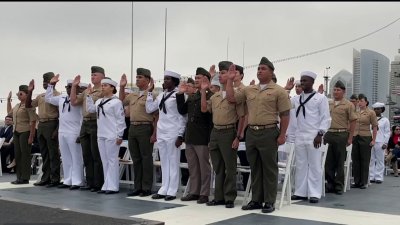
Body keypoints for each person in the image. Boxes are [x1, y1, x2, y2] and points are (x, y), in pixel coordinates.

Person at [226, 57, 291, 213]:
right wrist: (229, 80)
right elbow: (231, 98)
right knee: (255, 167)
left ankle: (269, 201)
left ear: (271, 71)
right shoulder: (249, 89)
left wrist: (282, 135)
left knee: (269, 168)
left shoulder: (278, 91)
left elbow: (285, 114)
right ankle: (256, 200)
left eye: (263, 68)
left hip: (269, 132)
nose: (260, 71)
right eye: (258, 68)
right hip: (252, 133)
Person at [288, 71, 331, 204]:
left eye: (305, 80)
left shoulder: (320, 98)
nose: (302, 83)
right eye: (301, 80)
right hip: (300, 135)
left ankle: (314, 193)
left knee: (314, 165)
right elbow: (284, 105)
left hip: (314, 135)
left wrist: (320, 134)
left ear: (312, 82)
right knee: (301, 165)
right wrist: (287, 90)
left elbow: (326, 118)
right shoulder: (296, 98)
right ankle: (300, 192)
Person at [146, 70, 187, 201]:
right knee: (164, 161)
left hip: (173, 131)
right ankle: (164, 188)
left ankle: (172, 190)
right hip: (162, 131)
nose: (165, 81)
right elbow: (149, 109)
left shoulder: (179, 95)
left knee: (173, 161)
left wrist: (180, 135)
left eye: (168, 79)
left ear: (175, 81)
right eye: (164, 79)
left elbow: (182, 117)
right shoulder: (161, 96)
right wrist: (149, 92)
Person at [177, 67, 213, 204]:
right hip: (191, 136)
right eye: (196, 78)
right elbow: (182, 110)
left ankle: (204, 193)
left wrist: (209, 138)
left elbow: (210, 120)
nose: (196, 80)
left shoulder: (210, 96)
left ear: (206, 79)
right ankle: (194, 192)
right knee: (193, 166)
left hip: (202, 136)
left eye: (199, 78)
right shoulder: (193, 96)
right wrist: (180, 94)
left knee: (204, 167)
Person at [119, 68, 157, 197]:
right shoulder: (133, 95)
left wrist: (154, 133)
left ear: (147, 80)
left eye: (140, 77)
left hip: (145, 127)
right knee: (136, 158)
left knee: (146, 158)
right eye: (136, 77)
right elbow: (122, 100)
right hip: (133, 127)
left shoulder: (152, 95)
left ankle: (146, 187)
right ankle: (137, 187)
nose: (137, 79)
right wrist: (122, 87)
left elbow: (156, 116)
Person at [86, 77, 126, 194]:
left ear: (112, 88)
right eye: (102, 85)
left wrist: (120, 135)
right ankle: (106, 184)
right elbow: (90, 109)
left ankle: (113, 186)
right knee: (105, 160)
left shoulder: (116, 102)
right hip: (101, 134)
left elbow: (120, 120)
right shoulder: (99, 101)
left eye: (105, 85)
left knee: (112, 160)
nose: (102, 87)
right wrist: (88, 96)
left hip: (112, 134)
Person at [45, 76, 84, 190]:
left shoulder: (79, 100)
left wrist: (80, 133)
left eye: (71, 87)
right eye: (67, 87)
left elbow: (82, 117)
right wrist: (51, 85)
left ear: (77, 89)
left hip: (74, 132)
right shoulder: (62, 98)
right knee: (66, 158)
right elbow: (48, 98)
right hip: (62, 131)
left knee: (76, 158)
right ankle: (68, 179)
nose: (68, 89)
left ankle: (77, 181)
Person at [70, 66, 105, 192]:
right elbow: (73, 101)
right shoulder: (87, 91)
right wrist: (74, 86)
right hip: (84, 124)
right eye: (91, 75)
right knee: (86, 154)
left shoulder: (103, 90)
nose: (92, 77)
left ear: (102, 76)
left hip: (96, 123)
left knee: (96, 155)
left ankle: (98, 183)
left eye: (95, 74)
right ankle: (89, 182)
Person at [26, 72, 61, 187]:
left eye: (47, 82)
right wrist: (30, 91)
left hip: (52, 124)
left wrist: (57, 129)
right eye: (44, 83)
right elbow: (28, 105)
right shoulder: (40, 96)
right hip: (41, 125)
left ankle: (55, 178)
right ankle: (45, 177)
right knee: (45, 153)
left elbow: (61, 114)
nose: (44, 85)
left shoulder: (58, 95)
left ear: (52, 82)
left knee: (53, 153)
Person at [7, 86, 37, 184]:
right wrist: (8, 100)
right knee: (18, 155)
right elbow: (9, 113)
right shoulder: (17, 105)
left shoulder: (29, 105)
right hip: (16, 132)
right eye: (18, 94)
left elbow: (33, 121)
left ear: (27, 94)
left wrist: (31, 136)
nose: (19, 96)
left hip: (25, 131)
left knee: (25, 155)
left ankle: (25, 177)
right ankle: (19, 176)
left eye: (21, 94)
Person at [351, 94, 378, 189]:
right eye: (358, 101)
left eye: (361, 101)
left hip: (365, 137)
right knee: (355, 160)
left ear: (366, 102)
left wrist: (374, 140)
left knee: (365, 160)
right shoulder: (355, 112)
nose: (359, 103)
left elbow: (375, 127)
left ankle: (364, 182)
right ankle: (356, 181)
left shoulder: (371, 112)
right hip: (355, 136)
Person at [369, 102, 390, 183]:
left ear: (382, 110)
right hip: (371, 140)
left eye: (378, 109)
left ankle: (379, 177)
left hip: (380, 142)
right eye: (375, 109)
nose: (376, 110)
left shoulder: (385, 120)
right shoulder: (370, 119)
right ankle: (371, 176)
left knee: (380, 160)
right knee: (371, 159)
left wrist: (385, 143)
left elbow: (387, 132)